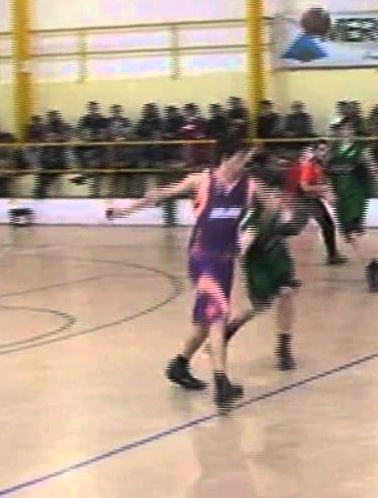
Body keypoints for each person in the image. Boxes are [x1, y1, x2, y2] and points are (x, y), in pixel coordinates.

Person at [106, 143, 276, 414]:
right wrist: (124, 211)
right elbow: (160, 194)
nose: (244, 163)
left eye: (247, 159)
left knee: (204, 323)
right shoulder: (202, 180)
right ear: (225, 157)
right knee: (219, 315)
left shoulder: (250, 185)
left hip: (226, 260)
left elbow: (272, 207)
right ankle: (222, 382)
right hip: (203, 257)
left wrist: (256, 229)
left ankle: (179, 365)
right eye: (241, 158)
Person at [222, 157, 303, 372]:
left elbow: (290, 223)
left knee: (287, 293)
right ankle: (227, 330)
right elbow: (243, 245)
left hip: (279, 258)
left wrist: (290, 221)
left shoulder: (277, 207)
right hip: (259, 264)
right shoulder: (253, 217)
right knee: (259, 307)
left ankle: (284, 347)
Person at [325, 119, 378, 292]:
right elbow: (326, 175)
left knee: (354, 231)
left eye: (347, 128)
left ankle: (372, 271)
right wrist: (328, 191)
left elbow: (376, 172)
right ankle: (375, 265)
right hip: (340, 199)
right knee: (349, 236)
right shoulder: (331, 152)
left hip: (356, 197)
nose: (344, 131)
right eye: (340, 129)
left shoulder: (361, 151)